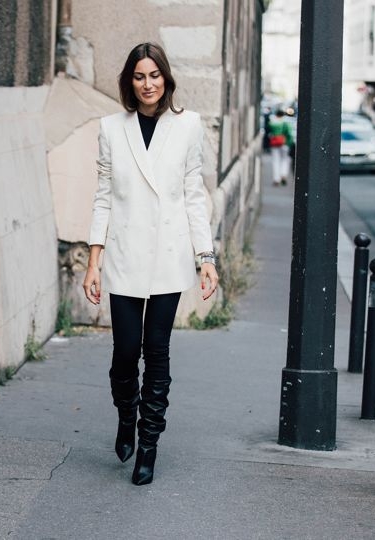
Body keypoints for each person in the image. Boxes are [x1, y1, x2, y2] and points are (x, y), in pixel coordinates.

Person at [82, 42, 218, 486]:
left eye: (155, 75)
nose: (148, 84)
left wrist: (205, 257)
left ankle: (148, 445)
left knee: (156, 352)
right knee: (125, 353)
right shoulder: (110, 127)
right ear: (130, 81)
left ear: (166, 78)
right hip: (123, 256)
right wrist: (94, 261)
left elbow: (194, 196)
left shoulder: (188, 126)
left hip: (168, 254)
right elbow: (103, 197)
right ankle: (126, 415)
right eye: (140, 76)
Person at [267, 109, 294, 185]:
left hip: (274, 144)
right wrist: (288, 143)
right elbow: (289, 133)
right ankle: (283, 175)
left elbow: (269, 131)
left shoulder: (272, 123)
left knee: (275, 161)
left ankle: (276, 179)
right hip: (284, 144)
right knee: (285, 160)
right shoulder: (285, 123)